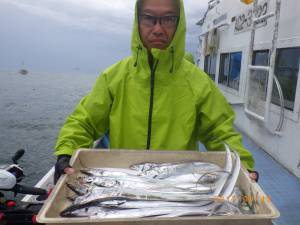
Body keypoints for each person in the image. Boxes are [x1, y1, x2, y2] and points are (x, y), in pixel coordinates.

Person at [54, 0, 258, 183]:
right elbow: (85, 122)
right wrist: (66, 152)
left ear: (179, 24)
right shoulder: (113, 78)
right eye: (149, 19)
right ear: (138, 22)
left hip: (178, 186)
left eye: (168, 19)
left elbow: (220, 134)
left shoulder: (199, 83)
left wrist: (242, 166)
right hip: (123, 183)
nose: (158, 29)